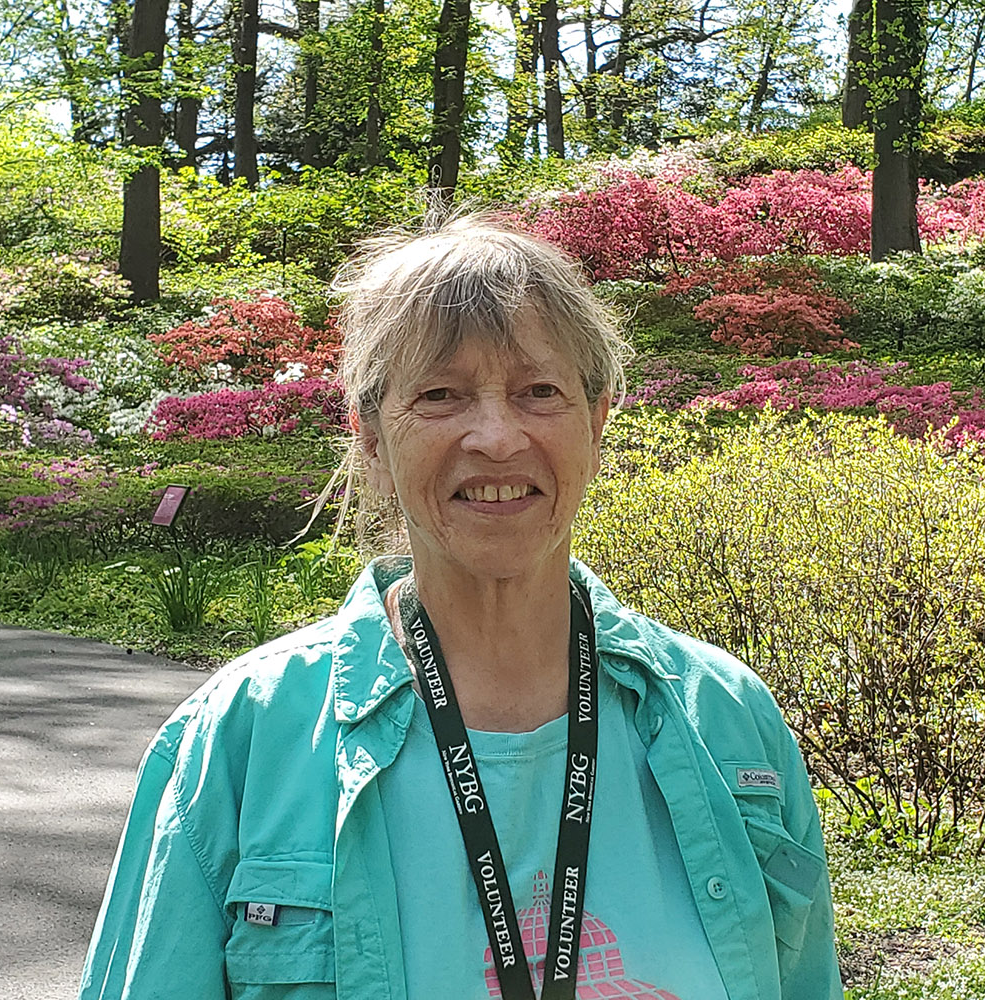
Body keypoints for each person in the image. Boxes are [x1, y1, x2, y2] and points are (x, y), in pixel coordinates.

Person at [78, 214, 842, 1000]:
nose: (497, 437)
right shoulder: (242, 738)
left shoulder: (726, 719)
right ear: (371, 437)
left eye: (538, 391)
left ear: (598, 421)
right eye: (440, 395)